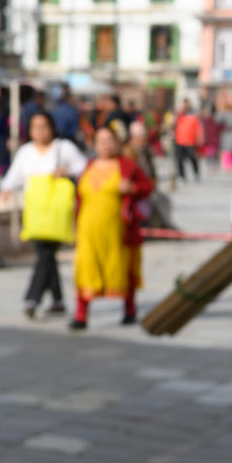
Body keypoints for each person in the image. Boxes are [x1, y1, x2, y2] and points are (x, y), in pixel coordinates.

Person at [0, 108, 85, 318]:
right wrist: (6, 191)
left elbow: (83, 166)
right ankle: (57, 300)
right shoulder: (26, 151)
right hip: (35, 210)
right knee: (47, 255)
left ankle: (32, 297)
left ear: (52, 128)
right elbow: (14, 176)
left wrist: (66, 171)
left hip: (56, 210)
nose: (40, 131)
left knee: (45, 254)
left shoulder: (64, 148)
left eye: (44, 126)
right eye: (36, 127)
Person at [70, 125, 153, 328]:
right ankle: (81, 315)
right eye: (101, 141)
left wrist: (132, 188)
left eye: (109, 140)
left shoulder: (127, 166)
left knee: (124, 268)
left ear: (117, 143)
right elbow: (79, 199)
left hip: (119, 231)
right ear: (95, 144)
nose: (105, 145)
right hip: (88, 231)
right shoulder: (88, 167)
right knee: (86, 269)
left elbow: (148, 186)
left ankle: (129, 310)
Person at [172, 100, 201, 182]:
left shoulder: (193, 115)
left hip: (190, 140)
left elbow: (198, 128)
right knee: (179, 159)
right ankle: (182, 175)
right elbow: (172, 125)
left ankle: (196, 173)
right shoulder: (178, 115)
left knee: (192, 158)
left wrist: (199, 138)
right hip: (179, 140)